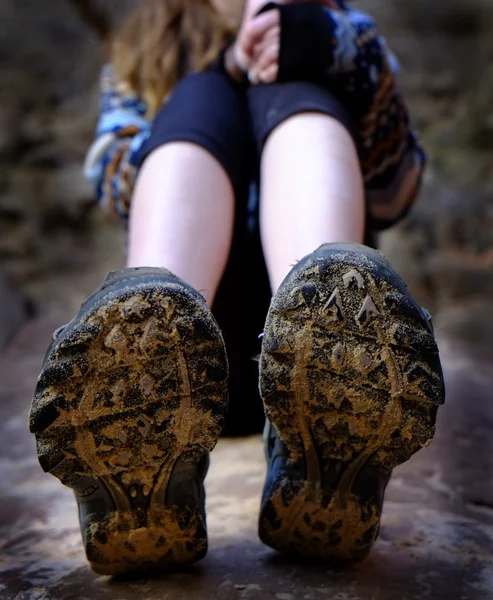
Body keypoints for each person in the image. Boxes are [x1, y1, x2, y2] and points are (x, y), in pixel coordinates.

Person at [29, 0, 445, 575]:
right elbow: (115, 182)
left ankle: (330, 312)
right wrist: (215, 83)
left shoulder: (336, 22)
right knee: (202, 96)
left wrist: (334, 50)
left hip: (333, 376)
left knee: (295, 87)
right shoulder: (150, 38)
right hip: (201, 368)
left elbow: (396, 187)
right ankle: (146, 339)